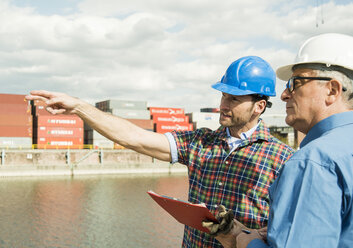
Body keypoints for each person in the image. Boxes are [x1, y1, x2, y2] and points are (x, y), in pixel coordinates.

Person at [26, 55, 294, 248]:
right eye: (223, 95)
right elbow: (135, 138)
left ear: (259, 106)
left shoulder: (284, 159)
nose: (223, 104)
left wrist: (242, 234)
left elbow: (289, 232)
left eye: (233, 99)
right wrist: (78, 108)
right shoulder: (201, 142)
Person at [232, 33, 353, 248]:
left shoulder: (313, 161)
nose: (284, 95)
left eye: (295, 83)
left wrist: (246, 242)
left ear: (332, 90)